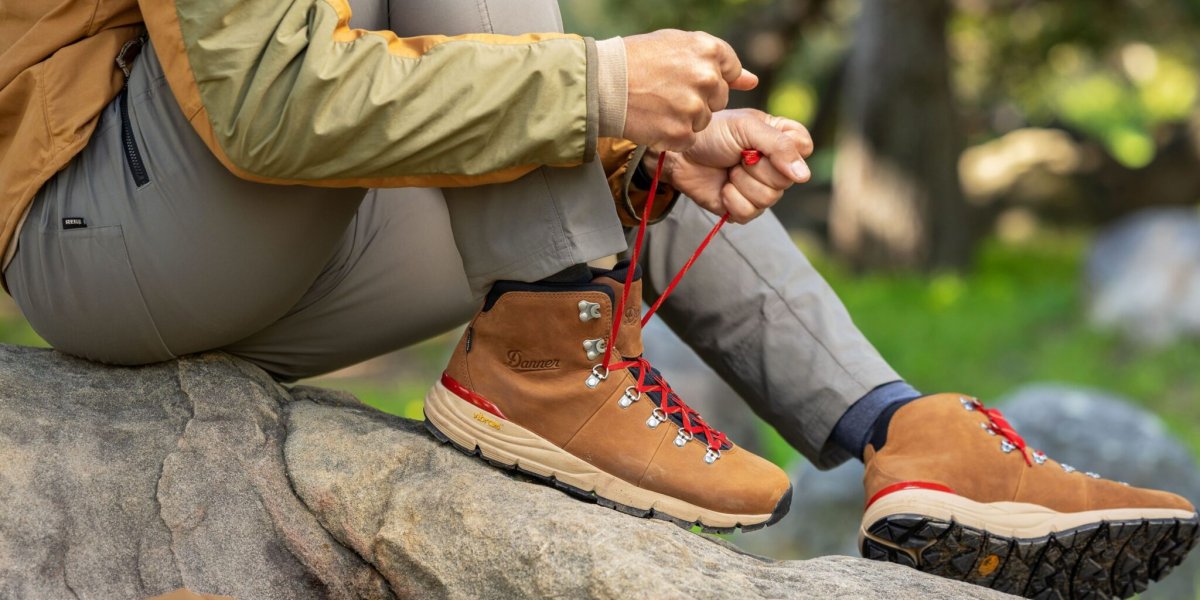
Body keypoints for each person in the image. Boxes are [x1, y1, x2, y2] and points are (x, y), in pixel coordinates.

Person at [1, 0, 1195, 597]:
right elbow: (261, 95)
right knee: (578, 101)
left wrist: (634, 123)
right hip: (103, 230)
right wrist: (598, 82)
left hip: (255, 241)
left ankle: (906, 437)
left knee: (626, 155)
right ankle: (546, 364)